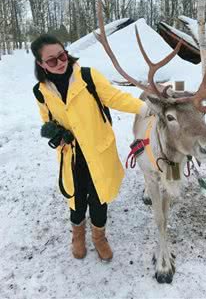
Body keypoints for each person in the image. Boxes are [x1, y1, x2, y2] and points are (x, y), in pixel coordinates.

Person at [31, 34, 147, 261]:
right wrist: (55, 132)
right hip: (71, 156)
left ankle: (99, 237)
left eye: (62, 55)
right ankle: (78, 236)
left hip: (98, 152)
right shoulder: (40, 91)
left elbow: (116, 98)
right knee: (76, 198)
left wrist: (147, 109)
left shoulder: (87, 77)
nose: (60, 62)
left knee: (99, 197)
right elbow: (47, 120)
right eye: (52, 61)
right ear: (41, 64)